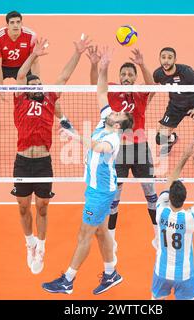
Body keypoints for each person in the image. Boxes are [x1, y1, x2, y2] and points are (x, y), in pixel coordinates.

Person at [42, 47, 134, 295]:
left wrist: (72, 133)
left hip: (100, 193)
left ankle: (68, 280)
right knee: (101, 232)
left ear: (119, 124)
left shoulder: (113, 139)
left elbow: (97, 146)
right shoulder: (106, 119)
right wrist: (102, 66)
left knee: (85, 234)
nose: (114, 109)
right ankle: (111, 273)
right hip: (97, 188)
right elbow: (102, 91)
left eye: (118, 113)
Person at [11, 35, 91, 275]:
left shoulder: (49, 99)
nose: (35, 85)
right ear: (27, 88)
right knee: (24, 208)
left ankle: (41, 247)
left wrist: (77, 53)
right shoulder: (20, 101)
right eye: (31, 84)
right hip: (23, 162)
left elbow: (64, 76)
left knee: (43, 208)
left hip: (43, 162)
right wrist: (34, 54)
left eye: (38, 84)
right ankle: (30, 243)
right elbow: (20, 76)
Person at [86, 46, 159, 252]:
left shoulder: (141, 93)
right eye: (124, 74)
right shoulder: (113, 90)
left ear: (135, 77)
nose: (126, 77)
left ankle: (157, 236)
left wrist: (142, 63)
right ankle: (112, 238)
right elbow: (95, 84)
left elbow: (153, 86)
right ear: (119, 77)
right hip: (117, 151)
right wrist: (95, 64)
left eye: (130, 74)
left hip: (141, 149)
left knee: (150, 193)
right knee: (114, 196)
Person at [151, 139, 194, 300]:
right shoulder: (190, 217)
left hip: (161, 272)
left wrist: (184, 156)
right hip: (184, 274)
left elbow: (170, 180)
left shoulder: (160, 211)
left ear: (169, 197)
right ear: (185, 198)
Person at [153, 47, 194, 156]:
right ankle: (171, 139)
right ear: (159, 59)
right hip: (175, 107)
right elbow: (153, 88)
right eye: (163, 57)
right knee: (160, 138)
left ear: (175, 60)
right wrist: (147, 102)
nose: (166, 60)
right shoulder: (158, 74)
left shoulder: (186, 72)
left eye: (170, 58)